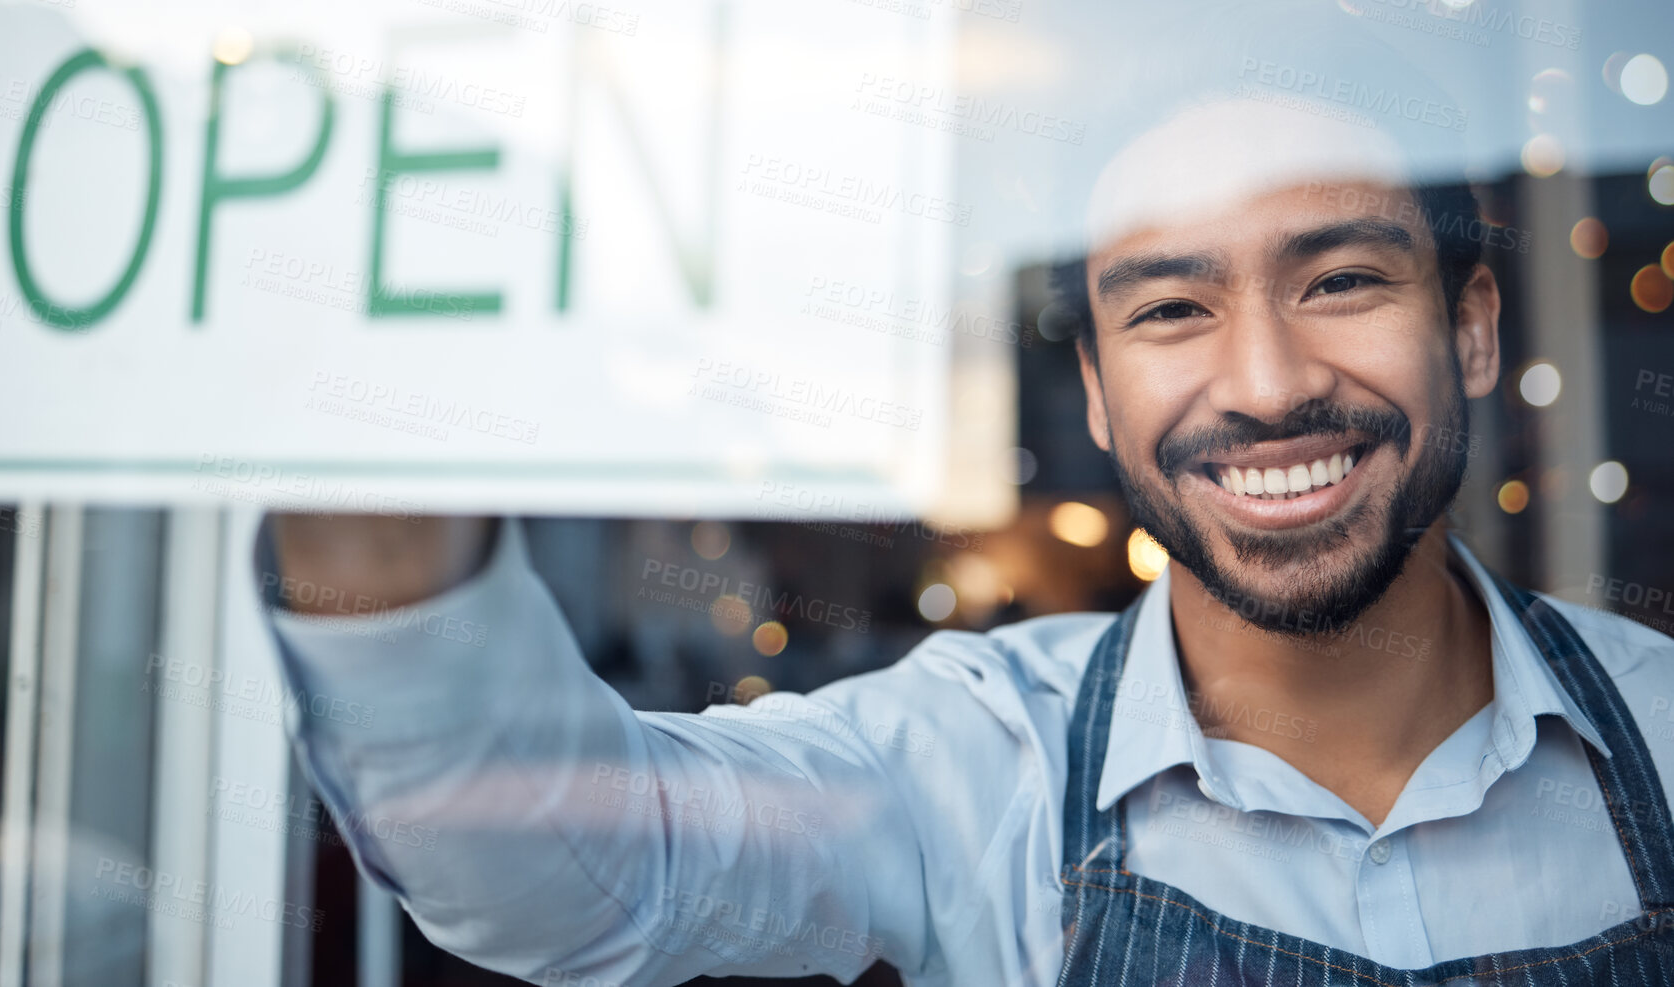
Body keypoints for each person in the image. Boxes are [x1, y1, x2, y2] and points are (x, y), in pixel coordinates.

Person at [257, 63, 1674, 986]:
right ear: (1100, 400)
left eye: (1342, 281)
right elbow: (569, 870)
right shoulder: (974, 761)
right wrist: (377, 511)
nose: (1267, 386)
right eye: (1172, 311)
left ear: (1475, 331)